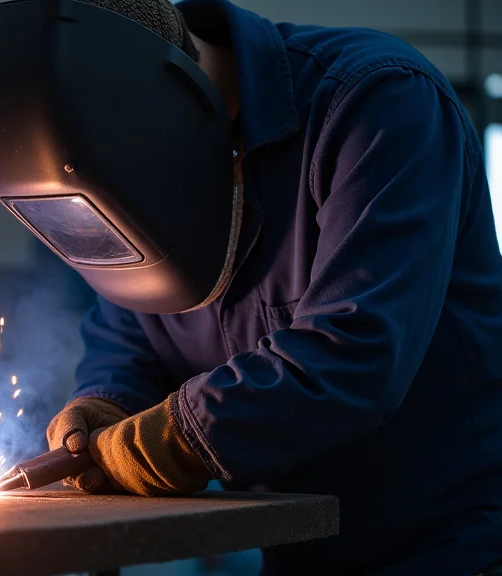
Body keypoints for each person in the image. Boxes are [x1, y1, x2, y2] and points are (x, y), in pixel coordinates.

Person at [37, 0, 502, 574]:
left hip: (450, 551)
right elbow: (131, 329)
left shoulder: (377, 101)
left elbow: (358, 351)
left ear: (172, 99)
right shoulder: (147, 170)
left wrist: (183, 436)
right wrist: (107, 402)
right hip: (298, 555)